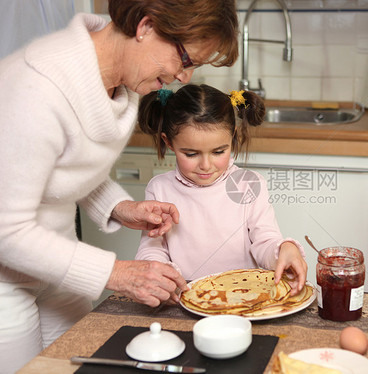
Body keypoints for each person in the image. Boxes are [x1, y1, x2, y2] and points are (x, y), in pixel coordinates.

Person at [0, 1, 238, 372]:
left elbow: (60, 166)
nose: (185, 77)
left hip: (56, 264)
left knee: (81, 363)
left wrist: (121, 208)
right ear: (146, 26)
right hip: (5, 278)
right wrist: (115, 274)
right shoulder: (38, 86)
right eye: (186, 60)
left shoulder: (118, 84)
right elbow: (6, 230)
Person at [135, 84, 308, 294]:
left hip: (244, 299)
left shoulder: (248, 184)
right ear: (168, 142)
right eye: (191, 154)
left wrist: (283, 249)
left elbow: (265, 240)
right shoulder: (159, 189)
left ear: (232, 137)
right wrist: (162, 274)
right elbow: (152, 249)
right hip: (185, 298)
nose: (206, 165)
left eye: (218, 151)